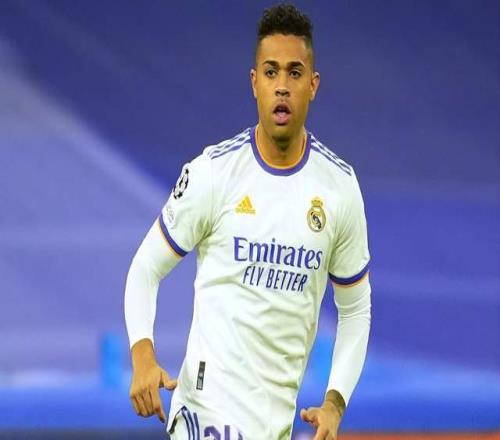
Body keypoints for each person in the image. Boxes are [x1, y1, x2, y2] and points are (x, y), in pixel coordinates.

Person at [124, 4, 371, 439]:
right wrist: (143, 355)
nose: (282, 86)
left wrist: (335, 403)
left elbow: (355, 308)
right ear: (254, 82)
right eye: (271, 72)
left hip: (274, 424)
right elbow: (145, 268)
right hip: (204, 415)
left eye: (294, 73)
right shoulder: (214, 173)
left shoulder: (339, 188)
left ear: (313, 86)